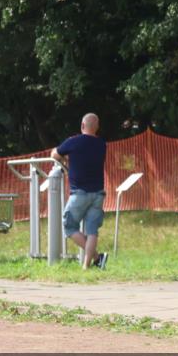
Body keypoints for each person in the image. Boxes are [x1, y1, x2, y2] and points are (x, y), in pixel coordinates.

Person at [52, 113, 108, 269]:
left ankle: (97, 258)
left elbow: (55, 154)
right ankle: (88, 265)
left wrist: (64, 160)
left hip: (79, 193)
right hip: (98, 194)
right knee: (92, 231)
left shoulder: (73, 142)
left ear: (82, 125)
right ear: (97, 127)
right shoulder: (102, 144)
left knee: (69, 227)